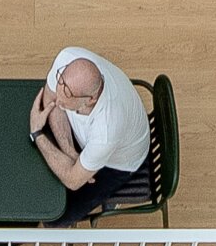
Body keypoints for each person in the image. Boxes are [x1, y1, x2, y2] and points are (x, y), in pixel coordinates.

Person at [29, 46, 151, 226]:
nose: (59, 99)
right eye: (60, 83)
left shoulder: (107, 130)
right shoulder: (67, 59)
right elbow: (51, 102)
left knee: (54, 218)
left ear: (91, 99)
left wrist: (38, 133)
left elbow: (72, 181)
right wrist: (71, 153)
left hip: (116, 164)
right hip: (88, 143)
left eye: (67, 99)